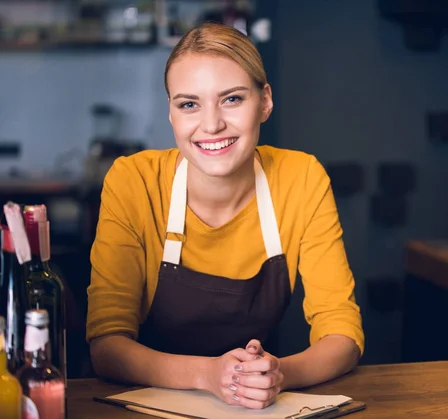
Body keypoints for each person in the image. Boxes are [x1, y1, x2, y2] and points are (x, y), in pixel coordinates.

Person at [86, 22, 364, 410]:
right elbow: (107, 347)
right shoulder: (134, 182)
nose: (212, 124)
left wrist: (276, 375)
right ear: (171, 113)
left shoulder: (301, 178)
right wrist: (209, 375)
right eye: (189, 104)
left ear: (265, 101)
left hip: (257, 407)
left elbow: (342, 336)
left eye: (232, 99)